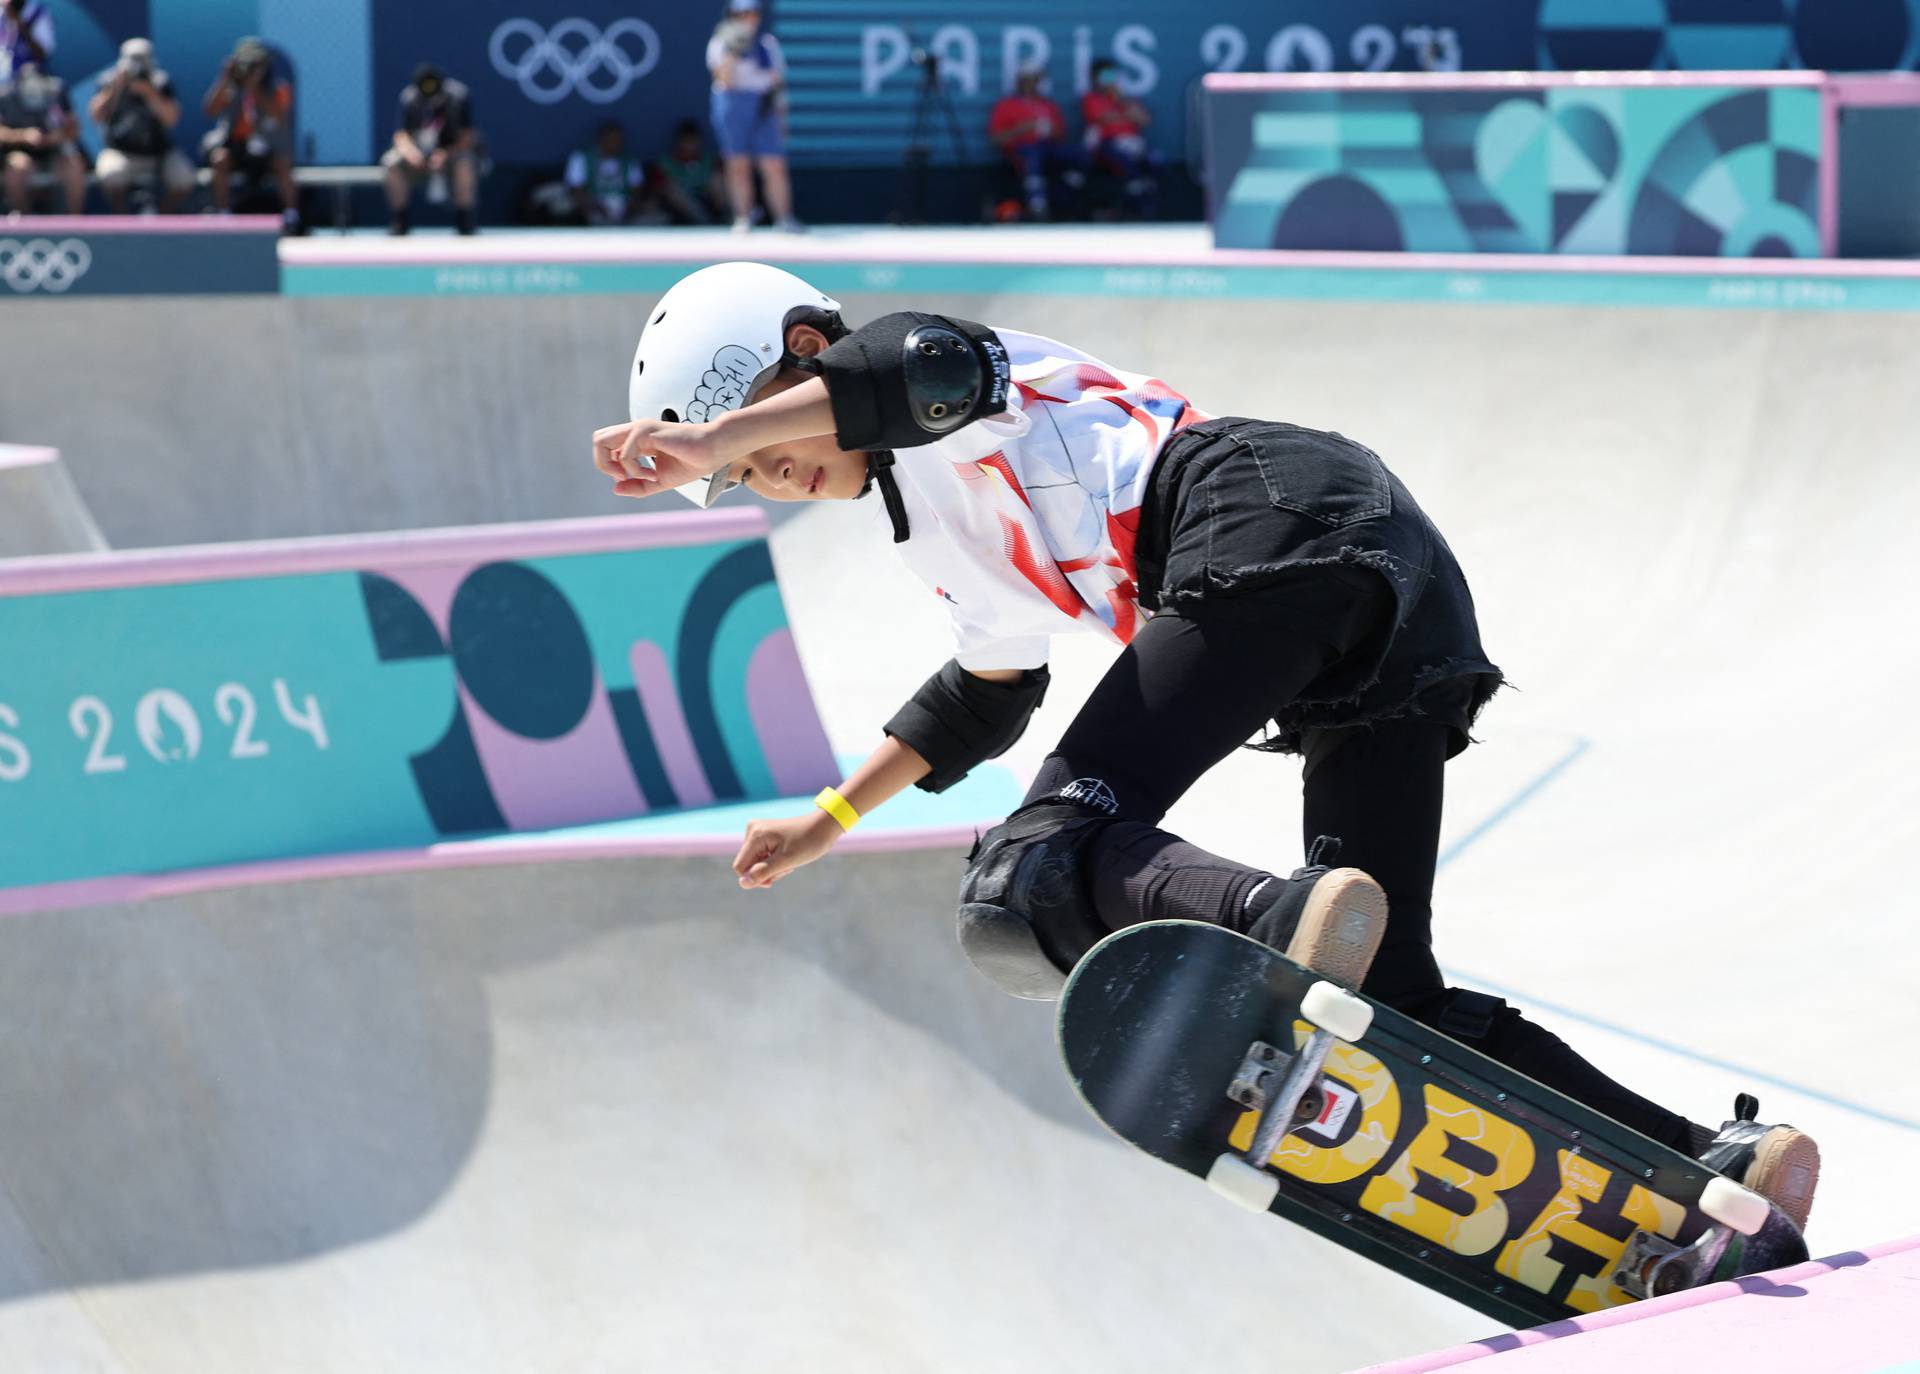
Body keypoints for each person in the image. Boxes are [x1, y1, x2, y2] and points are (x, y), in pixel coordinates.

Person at [588, 261, 1825, 1233]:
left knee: (1025, 876)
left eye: (753, 443)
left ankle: (1266, 917)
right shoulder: (938, 539)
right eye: (742, 475)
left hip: (1264, 510)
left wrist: (693, 444)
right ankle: (1709, 1162)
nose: (765, 474)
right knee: (1383, 997)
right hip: (1376, 605)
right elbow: (984, 690)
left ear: (803, 354)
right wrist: (832, 815)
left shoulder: (933, 386)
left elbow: (909, 372)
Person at [706, 0, 799, 233]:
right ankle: (743, 218)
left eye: (752, 13)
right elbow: (724, 80)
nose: (748, 18)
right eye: (742, 13)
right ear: (732, 15)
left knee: (774, 164)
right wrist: (734, 52)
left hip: (763, 106)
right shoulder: (720, 44)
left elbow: (778, 83)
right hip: (733, 104)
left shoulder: (768, 44)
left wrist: (782, 116)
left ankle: (784, 219)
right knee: (738, 163)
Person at [202, 36, 301, 234]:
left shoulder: (278, 87)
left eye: (256, 64)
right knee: (220, 158)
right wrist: (225, 79)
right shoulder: (228, 86)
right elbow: (209, 110)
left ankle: (292, 216)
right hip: (236, 146)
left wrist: (254, 87)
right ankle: (223, 214)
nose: (251, 69)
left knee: (283, 162)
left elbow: (278, 115)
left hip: (266, 147)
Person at [89, 37, 194, 213]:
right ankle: (123, 222)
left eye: (141, 60)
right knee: (111, 174)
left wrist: (150, 93)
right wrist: (116, 87)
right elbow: (96, 116)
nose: (136, 66)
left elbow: (172, 120)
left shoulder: (161, 82)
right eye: (133, 60)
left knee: (184, 178)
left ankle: (162, 219)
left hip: (160, 153)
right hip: (121, 151)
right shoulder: (109, 81)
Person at [381, 62, 479, 236]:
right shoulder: (409, 97)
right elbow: (401, 135)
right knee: (391, 163)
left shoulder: (458, 96)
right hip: (418, 159)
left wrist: (445, 154)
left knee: (464, 164)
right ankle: (399, 220)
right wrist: (412, 154)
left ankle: (465, 221)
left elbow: (468, 136)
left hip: (450, 157)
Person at [987, 66, 1084, 222]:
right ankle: (1037, 206)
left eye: (1036, 80)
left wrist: (1051, 131)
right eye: (1029, 79)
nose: (1033, 84)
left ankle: (1063, 195)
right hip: (1021, 151)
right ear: (1021, 82)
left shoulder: (1047, 105)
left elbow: (1061, 135)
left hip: (1048, 148)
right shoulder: (1006, 105)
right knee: (1032, 155)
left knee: (1080, 154)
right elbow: (994, 140)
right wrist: (1021, 129)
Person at [1080, 57, 1159, 219]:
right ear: (1094, 78)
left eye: (1111, 75)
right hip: (1107, 145)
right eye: (1104, 76)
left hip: (1134, 144)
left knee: (1156, 160)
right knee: (1124, 162)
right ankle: (1134, 201)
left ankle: (1146, 205)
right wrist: (1127, 116)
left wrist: (1121, 102)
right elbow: (1102, 118)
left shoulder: (1125, 99)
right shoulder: (1091, 99)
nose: (1108, 79)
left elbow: (1145, 119)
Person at [0, 64, 84, 214]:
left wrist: (57, 136)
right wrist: (23, 136)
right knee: (16, 167)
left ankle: (74, 219)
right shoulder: (5, 96)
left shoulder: (56, 92)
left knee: (74, 162)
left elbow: (74, 130)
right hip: (22, 151)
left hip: (54, 151)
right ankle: (23, 220)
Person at [565, 119, 648, 226]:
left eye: (619, 139)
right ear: (601, 139)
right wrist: (594, 207)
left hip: (623, 208)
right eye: (612, 139)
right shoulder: (582, 158)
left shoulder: (629, 161)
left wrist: (628, 210)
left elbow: (637, 190)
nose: (616, 143)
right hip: (593, 206)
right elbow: (576, 189)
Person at [651, 118, 728, 226]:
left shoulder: (709, 160)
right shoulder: (665, 163)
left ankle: (728, 218)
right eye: (685, 141)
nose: (689, 146)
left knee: (718, 179)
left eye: (693, 141)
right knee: (674, 191)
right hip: (680, 209)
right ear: (678, 142)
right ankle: (705, 223)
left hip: (709, 203)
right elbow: (658, 191)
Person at [0, 0, 52, 82]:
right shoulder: (2, 12)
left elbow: (43, 54)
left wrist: (21, 27)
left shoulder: (36, 12)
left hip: (27, 76)